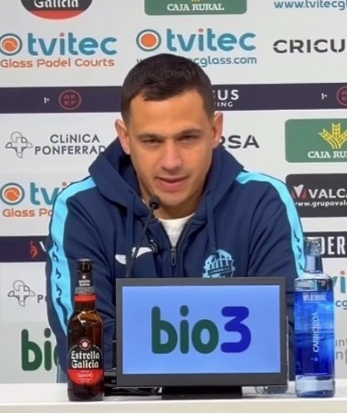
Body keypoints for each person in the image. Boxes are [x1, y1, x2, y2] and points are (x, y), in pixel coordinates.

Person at [45, 53, 304, 378]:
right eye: (152, 141)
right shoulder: (82, 207)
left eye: (187, 138)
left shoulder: (263, 201)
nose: (171, 162)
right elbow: (89, 350)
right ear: (125, 138)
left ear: (215, 130)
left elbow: (287, 342)